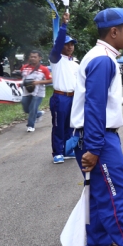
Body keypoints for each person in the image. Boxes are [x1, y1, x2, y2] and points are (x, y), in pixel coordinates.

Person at [71, 7, 123, 246]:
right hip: (99, 136)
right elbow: (95, 106)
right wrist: (93, 146)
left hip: (95, 135)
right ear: (113, 32)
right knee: (116, 195)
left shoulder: (101, 56)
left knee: (102, 194)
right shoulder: (103, 59)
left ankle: (102, 244)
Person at [49, 12, 79, 164]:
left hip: (72, 97)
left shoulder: (74, 63)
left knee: (69, 125)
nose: (70, 47)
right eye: (67, 44)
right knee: (58, 126)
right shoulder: (56, 59)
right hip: (59, 97)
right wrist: (64, 25)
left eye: (72, 44)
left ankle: (67, 150)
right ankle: (57, 152)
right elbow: (58, 44)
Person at [21, 50, 52, 132]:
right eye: (31, 57)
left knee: (32, 108)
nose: (33, 58)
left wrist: (38, 82)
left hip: (38, 93)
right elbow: (22, 78)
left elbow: (50, 80)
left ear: (39, 58)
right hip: (26, 91)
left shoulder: (44, 69)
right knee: (25, 108)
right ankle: (39, 114)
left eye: (35, 57)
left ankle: (30, 125)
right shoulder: (24, 67)